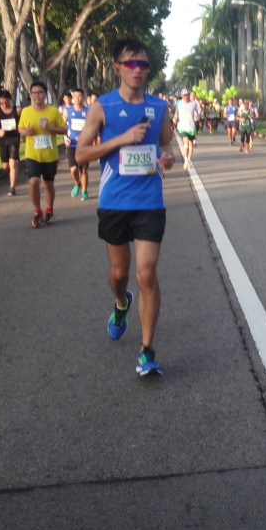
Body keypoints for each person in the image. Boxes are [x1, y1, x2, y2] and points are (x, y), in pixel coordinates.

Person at [74, 38, 175, 377]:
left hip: (149, 200)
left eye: (143, 64)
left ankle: (147, 350)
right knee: (120, 275)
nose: (137, 70)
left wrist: (167, 158)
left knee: (146, 274)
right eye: (131, 63)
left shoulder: (160, 107)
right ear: (117, 67)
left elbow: (166, 144)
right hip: (114, 201)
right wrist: (121, 139)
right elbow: (81, 154)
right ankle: (121, 304)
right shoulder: (101, 107)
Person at [17, 81, 67, 229]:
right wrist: (26, 132)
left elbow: (64, 130)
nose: (36, 95)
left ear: (45, 95)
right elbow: (20, 128)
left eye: (39, 93)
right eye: (34, 93)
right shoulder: (26, 111)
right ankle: (37, 211)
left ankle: (49, 211)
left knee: (49, 184)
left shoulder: (53, 111)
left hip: (50, 155)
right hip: (32, 154)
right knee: (33, 182)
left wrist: (50, 127)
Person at [0, 89, 21, 196]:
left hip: (14, 139)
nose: (4, 105)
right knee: (5, 166)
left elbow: (24, 123)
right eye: (1, 103)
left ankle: (12, 187)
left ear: (10, 99)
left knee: (13, 163)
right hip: (3, 140)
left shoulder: (17, 110)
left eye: (5, 102)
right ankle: (13, 174)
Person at [64, 88, 91, 200]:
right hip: (71, 144)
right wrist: (65, 138)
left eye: (80, 96)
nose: (77, 98)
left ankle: (84, 191)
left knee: (83, 169)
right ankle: (77, 183)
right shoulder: (67, 111)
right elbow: (63, 126)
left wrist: (84, 136)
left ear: (83, 98)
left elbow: (91, 127)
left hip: (84, 145)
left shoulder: (88, 111)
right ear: (72, 98)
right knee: (73, 169)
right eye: (75, 96)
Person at [173, 88, 200, 169]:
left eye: (187, 95)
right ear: (182, 96)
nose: (186, 97)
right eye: (184, 95)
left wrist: (198, 116)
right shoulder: (179, 103)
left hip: (191, 126)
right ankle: (185, 159)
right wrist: (175, 118)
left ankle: (188, 159)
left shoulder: (194, 103)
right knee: (186, 142)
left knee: (191, 144)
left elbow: (198, 111)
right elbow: (176, 113)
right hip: (182, 126)